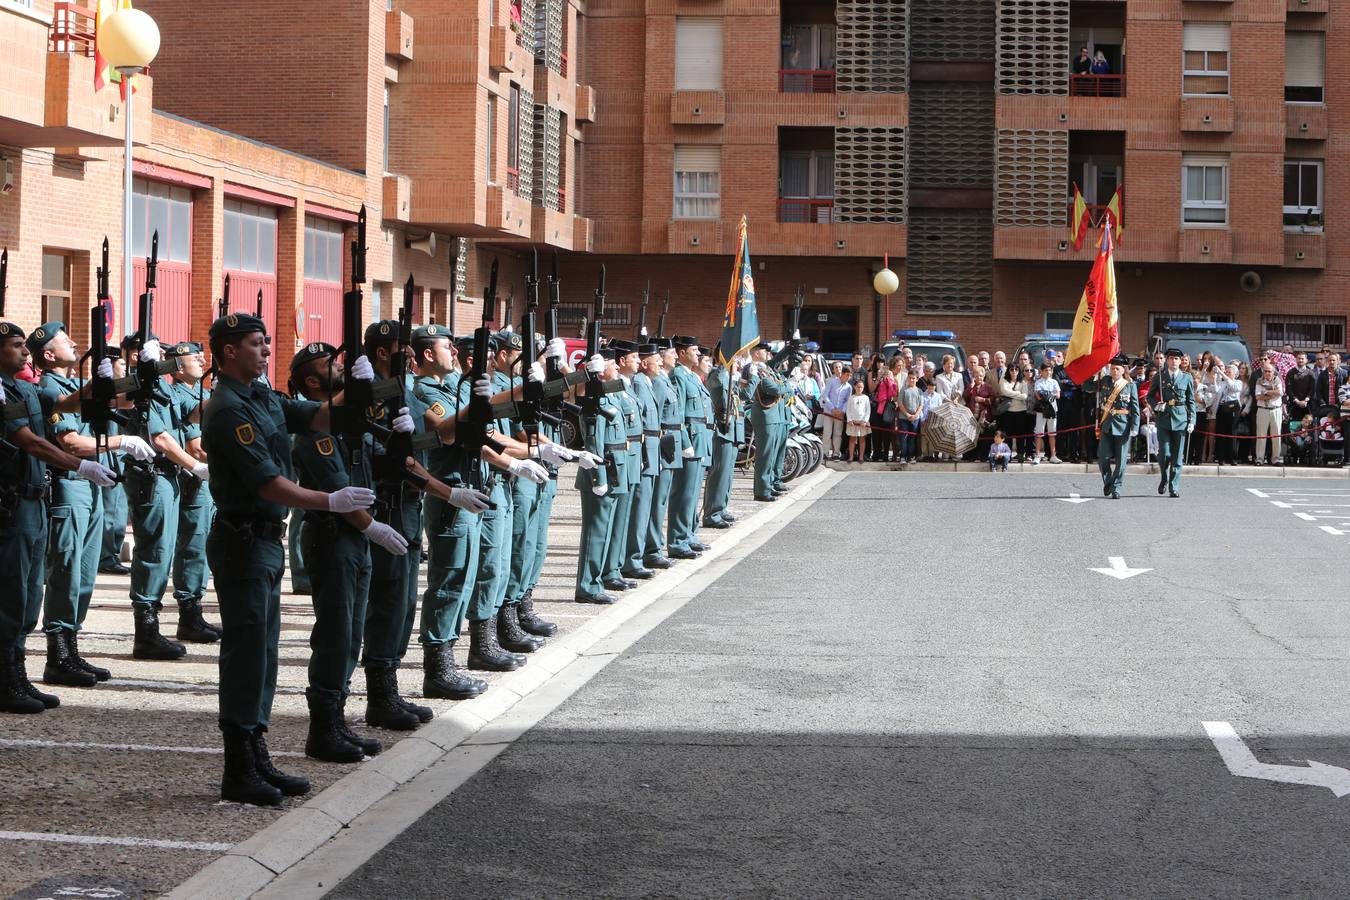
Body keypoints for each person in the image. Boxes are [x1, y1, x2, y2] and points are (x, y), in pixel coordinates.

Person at [201, 311, 377, 805]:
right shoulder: (228, 408)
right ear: (229, 351)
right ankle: (239, 767)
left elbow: (322, 416)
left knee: (265, 651)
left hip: (263, 540)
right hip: (242, 539)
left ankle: (257, 754)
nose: (265, 350)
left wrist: (359, 387)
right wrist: (329, 501)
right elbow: (268, 483)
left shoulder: (263, 398)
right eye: (257, 343)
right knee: (246, 653)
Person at [28, 323, 153, 688]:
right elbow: (71, 444)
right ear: (48, 355)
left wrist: (138, 375)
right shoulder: (50, 389)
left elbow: (122, 401)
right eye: (65, 341)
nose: (75, 343)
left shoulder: (68, 386)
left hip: (93, 485)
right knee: (66, 569)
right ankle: (58, 655)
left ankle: (72, 647)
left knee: (83, 573)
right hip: (71, 487)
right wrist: (122, 443)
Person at [2, 320, 117, 714]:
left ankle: (17, 674)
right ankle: (7, 677)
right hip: (12, 504)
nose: (24, 352)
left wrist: (105, 383)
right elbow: (30, 441)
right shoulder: (3, 393)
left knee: (30, 592)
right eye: (16, 345)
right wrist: (79, 466)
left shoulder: (23, 389)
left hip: (33, 502)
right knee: (12, 594)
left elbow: (67, 403)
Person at [165, 342, 222, 644]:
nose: (201, 359)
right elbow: (196, 448)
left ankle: (195, 612)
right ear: (176, 365)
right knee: (193, 546)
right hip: (197, 482)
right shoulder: (180, 396)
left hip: (210, 483)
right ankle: (188, 615)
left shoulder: (203, 393)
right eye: (193, 356)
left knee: (203, 546)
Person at [667, 337, 711, 553]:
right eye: (694, 350)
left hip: (700, 438)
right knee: (683, 492)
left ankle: (689, 534)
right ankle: (678, 539)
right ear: (682, 353)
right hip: (691, 439)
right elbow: (680, 413)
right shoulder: (678, 375)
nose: (698, 354)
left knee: (693, 492)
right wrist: (685, 442)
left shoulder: (691, 376)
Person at [702, 349, 743, 530]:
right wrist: (726, 371)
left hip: (732, 430)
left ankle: (721, 507)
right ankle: (712, 512)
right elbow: (722, 401)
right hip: (722, 430)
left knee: (727, 474)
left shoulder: (728, 377)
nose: (738, 362)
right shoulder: (717, 376)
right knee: (719, 474)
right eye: (735, 357)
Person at [1147, 348, 1196, 498]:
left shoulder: (1186, 378)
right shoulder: (1160, 377)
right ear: (1166, 360)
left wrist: (1192, 420)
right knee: (1165, 453)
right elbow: (1150, 396)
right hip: (1164, 418)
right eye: (1171, 358)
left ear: (1181, 361)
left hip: (1180, 419)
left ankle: (1173, 486)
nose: (1173, 361)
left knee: (1177, 455)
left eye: (1176, 359)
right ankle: (1164, 477)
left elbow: (1190, 401)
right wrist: (1156, 405)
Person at [1096, 356, 1138, 499]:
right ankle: (1108, 481)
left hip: (1123, 425)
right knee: (1103, 458)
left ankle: (1116, 488)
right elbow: (1087, 386)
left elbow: (1135, 407)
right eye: (1112, 368)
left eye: (1117, 368)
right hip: (1107, 424)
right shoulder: (1105, 381)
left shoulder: (1130, 385)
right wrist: (1095, 371)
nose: (1114, 370)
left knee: (1121, 461)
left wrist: (1135, 426)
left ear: (1123, 370)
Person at [1253, 361, 1285, 466]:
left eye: (1270, 371)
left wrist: (1266, 392)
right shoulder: (1259, 381)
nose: (1268, 373)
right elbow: (1258, 397)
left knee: (1276, 435)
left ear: (1273, 371)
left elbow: (1280, 393)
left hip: (1275, 409)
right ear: (1263, 372)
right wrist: (1273, 393)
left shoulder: (1278, 380)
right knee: (1261, 435)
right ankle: (1259, 458)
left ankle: (1275, 458)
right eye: (1266, 371)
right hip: (1262, 409)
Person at [1031, 362, 1061, 464]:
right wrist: (1046, 396)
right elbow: (1038, 395)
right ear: (1041, 372)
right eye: (1046, 370)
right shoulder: (1038, 382)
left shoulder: (1054, 382)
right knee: (1039, 433)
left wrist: (1049, 395)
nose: (1048, 372)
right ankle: (1038, 455)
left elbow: (1058, 395)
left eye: (1049, 370)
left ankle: (1053, 455)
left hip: (1052, 409)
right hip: (1042, 409)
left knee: (1052, 433)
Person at [820, 365, 851, 459]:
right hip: (829, 411)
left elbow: (847, 400)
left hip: (839, 414)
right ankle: (825, 452)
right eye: (847, 375)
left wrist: (842, 411)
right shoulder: (832, 382)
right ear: (843, 374)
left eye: (850, 376)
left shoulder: (849, 387)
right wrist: (832, 408)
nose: (849, 378)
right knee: (827, 432)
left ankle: (836, 453)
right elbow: (825, 395)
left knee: (837, 433)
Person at [895, 370, 922, 464]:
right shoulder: (903, 390)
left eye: (913, 378)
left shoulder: (919, 391)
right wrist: (907, 414)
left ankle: (910, 456)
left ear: (917, 379)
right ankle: (903, 456)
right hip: (903, 418)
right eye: (910, 378)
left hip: (915, 418)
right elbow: (900, 403)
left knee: (912, 438)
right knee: (903, 437)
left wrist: (916, 415)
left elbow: (921, 405)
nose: (911, 380)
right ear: (907, 378)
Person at [844, 379, 870, 463]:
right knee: (852, 439)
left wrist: (865, 421)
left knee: (862, 439)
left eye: (861, 387)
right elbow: (848, 409)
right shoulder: (851, 398)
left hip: (862, 422)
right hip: (853, 423)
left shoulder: (865, 398)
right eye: (858, 387)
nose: (860, 389)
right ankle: (851, 457)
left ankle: (861, 457)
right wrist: (849, 420)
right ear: (854, 387)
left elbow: (867, 410)